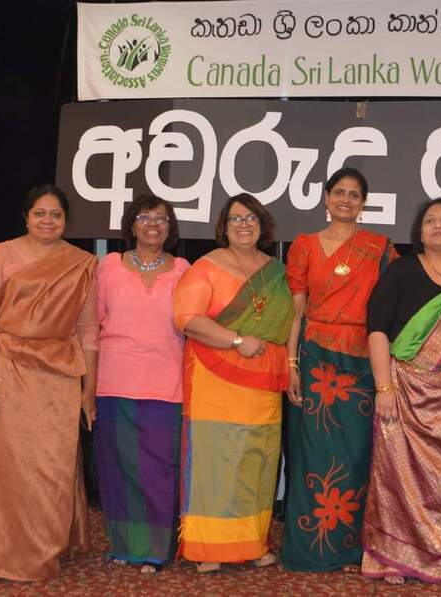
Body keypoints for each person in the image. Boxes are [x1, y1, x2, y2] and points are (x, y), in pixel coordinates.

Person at [0, 184, 98, 580]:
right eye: (40, 213)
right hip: (8, 370)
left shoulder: (81, 263)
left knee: (52, 467)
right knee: (10, 465)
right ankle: (7, 553)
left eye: (56, 214)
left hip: (58, 376)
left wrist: (89, 391)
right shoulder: (3, 253)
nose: (48, 221)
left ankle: (46, 546)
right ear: (26, 217)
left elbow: (89, 331)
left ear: (66, 221)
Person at [361, 198, 441, 585]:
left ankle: (438, 556)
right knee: (397, 478)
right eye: (430, 220)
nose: (438, 225)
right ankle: (392, 558)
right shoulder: (401, 270)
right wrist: (384, 387)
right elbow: (377, 330)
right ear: (419, 231)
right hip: (403, 389)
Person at [280, 168, 397, 573]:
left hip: (362, 362)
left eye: (354, 194)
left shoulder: (380, 248)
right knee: (312, 455)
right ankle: (310, 551)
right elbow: (295, 310)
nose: (346, 200)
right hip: (315, 361)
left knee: (356, 454)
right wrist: (291, 363)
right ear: (326, 198)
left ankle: (352, 549)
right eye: (339, 192)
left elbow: (395, 306)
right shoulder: (304, 245)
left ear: (363, 203)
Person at [173, 193, 294, 573]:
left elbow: (290, 320)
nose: (244, 225)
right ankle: (208, 548)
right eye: (236, 219)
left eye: (251, 218)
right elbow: (187, 319)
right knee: (216, 459)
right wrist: (237, 341)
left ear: (263, 225)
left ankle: (252, 544)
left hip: (264, 382)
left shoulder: (276, 271)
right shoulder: (206, 267)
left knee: (257, 461)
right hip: (216, 378)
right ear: (224, 227)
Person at [94, 195, 190, 573]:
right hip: (114, 382)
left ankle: (156, 549)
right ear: (131, 224)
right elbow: (92, 324)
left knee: (159, 470)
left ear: (171, 228)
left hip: (167, 385)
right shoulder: (108, 267)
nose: (153, 224)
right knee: (119, 469)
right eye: (145, 217)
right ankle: (125, 545)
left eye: (161, 219)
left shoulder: (183, 270)